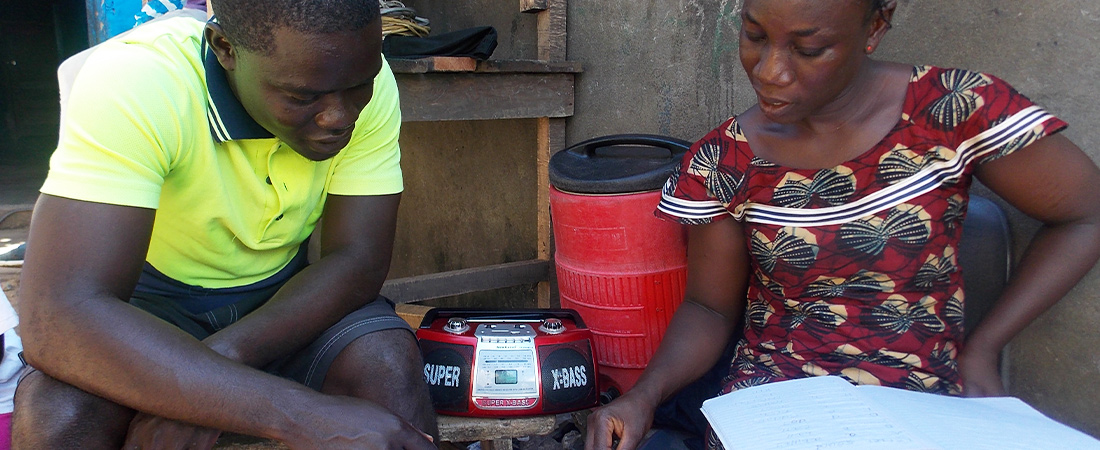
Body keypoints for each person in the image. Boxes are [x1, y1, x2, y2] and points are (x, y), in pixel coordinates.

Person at [585, 0, 1100, 449]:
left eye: (808, 50)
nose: (770, 71)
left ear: (875, 27)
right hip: (773, 403)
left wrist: (984, 346)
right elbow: (707, 307)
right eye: (755, 35)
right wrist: (642, 397)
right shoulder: (726, 160)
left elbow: (1085, 214)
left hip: (920, 398)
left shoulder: (950, 111)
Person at [13, 0, 437, 448]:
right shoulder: (141, 81)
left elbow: (358, 260)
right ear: (225, 49)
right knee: (59, 415)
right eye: (301, 97)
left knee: (388, 364)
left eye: (359, 87)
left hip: (287, 301)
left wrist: (213, 372)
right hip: (148, 312)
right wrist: (299, 415)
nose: (339, 116)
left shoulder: (360, 83)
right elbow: (57, 318)